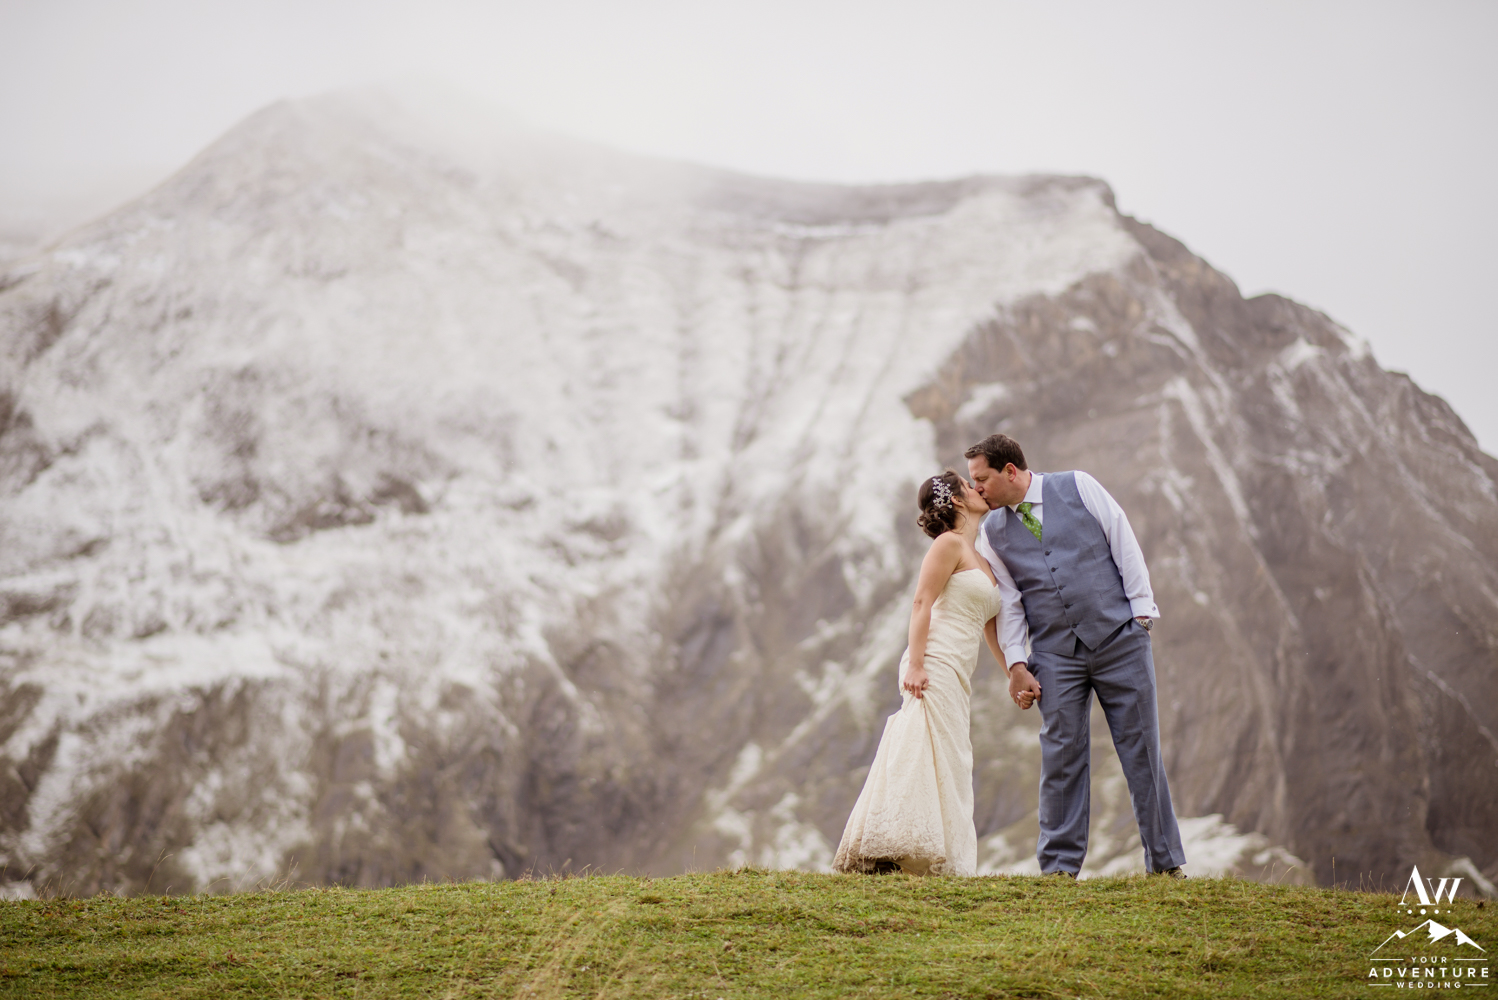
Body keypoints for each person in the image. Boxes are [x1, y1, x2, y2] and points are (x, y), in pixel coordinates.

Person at [965, 433, 1187, 880]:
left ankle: (1164, 865)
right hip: (1054, 655)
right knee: (1061, 759)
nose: (976, 490)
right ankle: (1059, 871)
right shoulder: (991, 533)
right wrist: (1017, 663)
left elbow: (1122, 538)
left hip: (1120, 639)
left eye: (981, 479)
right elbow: (1009, 603)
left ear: (1010, 471)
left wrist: (1141, 616)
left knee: (1141, 750)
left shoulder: (1079, 486)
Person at [832, 470, 1004, 876]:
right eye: (969, 484)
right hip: (935, 659)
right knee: (921, 743)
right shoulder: (948, 544)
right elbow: (922, 602)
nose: (978, 488)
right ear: (958, 500)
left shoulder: (980, 555)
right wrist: (916, 663)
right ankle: (889, 846)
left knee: (950, 755)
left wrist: (1012, 672)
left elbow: (989, 626)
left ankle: (919, 851)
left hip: (961, 669)